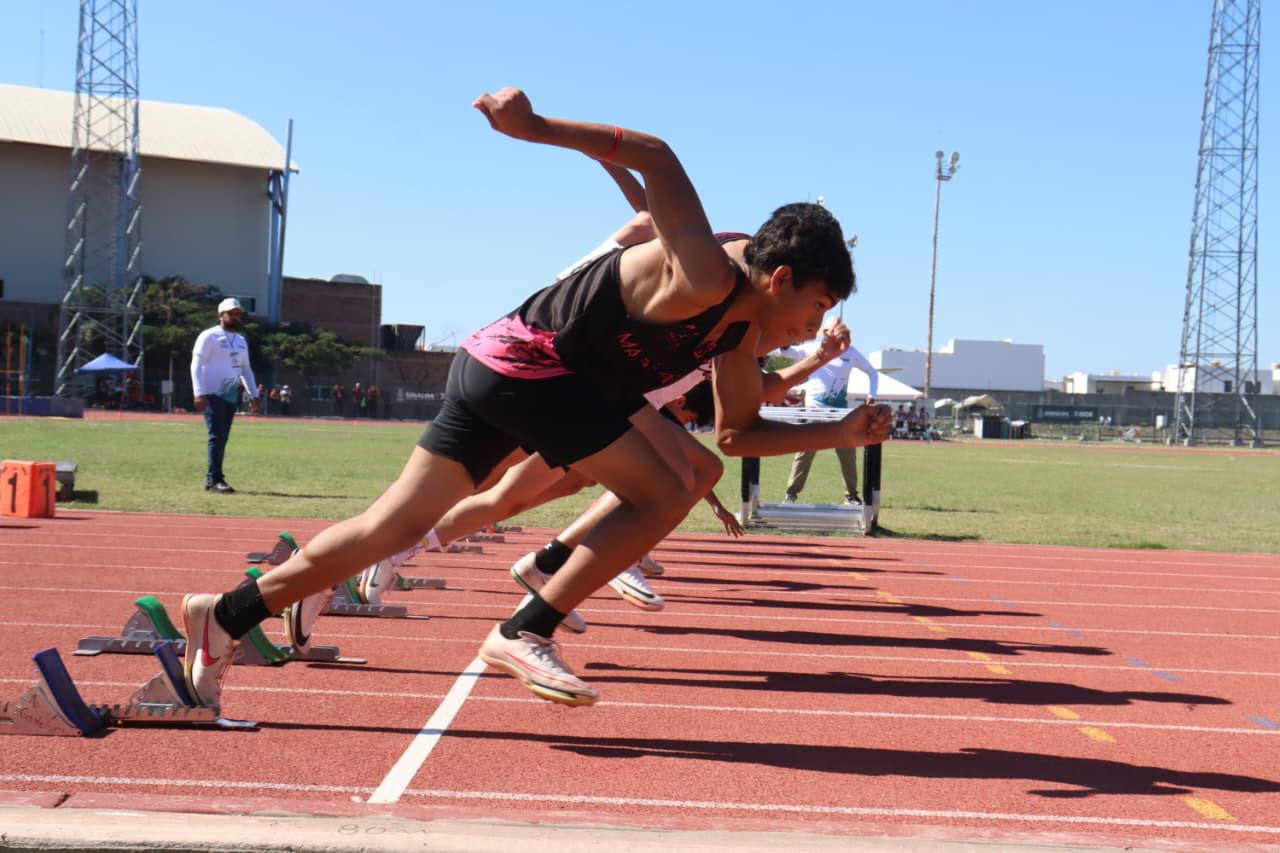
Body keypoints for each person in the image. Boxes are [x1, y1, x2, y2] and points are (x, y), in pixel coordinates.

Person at [177, 88, 891, 712]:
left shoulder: (740, 336)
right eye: (817, 306)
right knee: (665, 489)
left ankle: (226, 614)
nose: (814, 328)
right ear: (781, 277)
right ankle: (525, 628)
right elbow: (660, 158)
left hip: (496, 366)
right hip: (531, 366)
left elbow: (736, 435)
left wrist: (844, 430)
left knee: (389, 527)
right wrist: (535, 126)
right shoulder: (706, 274)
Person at [774, 326, 877, 505]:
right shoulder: (815, 348)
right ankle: (791, 494)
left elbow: (872, 372)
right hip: (815, 408)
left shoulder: (851, 352)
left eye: (844, 336)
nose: (840, 340)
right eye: (834, 335)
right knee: (805, 451)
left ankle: (851, 496)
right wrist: (784, 341)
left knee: (848, 452)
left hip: (839, 411)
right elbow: (789, 352)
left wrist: (872, 395)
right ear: (826, 334)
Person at [190, 297, 261, 493]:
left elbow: (245, 369)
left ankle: (214, 478)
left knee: (222, 437)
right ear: (221, 315)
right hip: (212, 393)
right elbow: (196, 365)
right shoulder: (209, 336)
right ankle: (214, 480)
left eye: (238, 313)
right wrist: (199, 392)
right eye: (231, 313)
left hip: (230, 395)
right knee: (217, 436)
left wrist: (253, 394)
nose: (236, 316)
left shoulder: (240, 341)